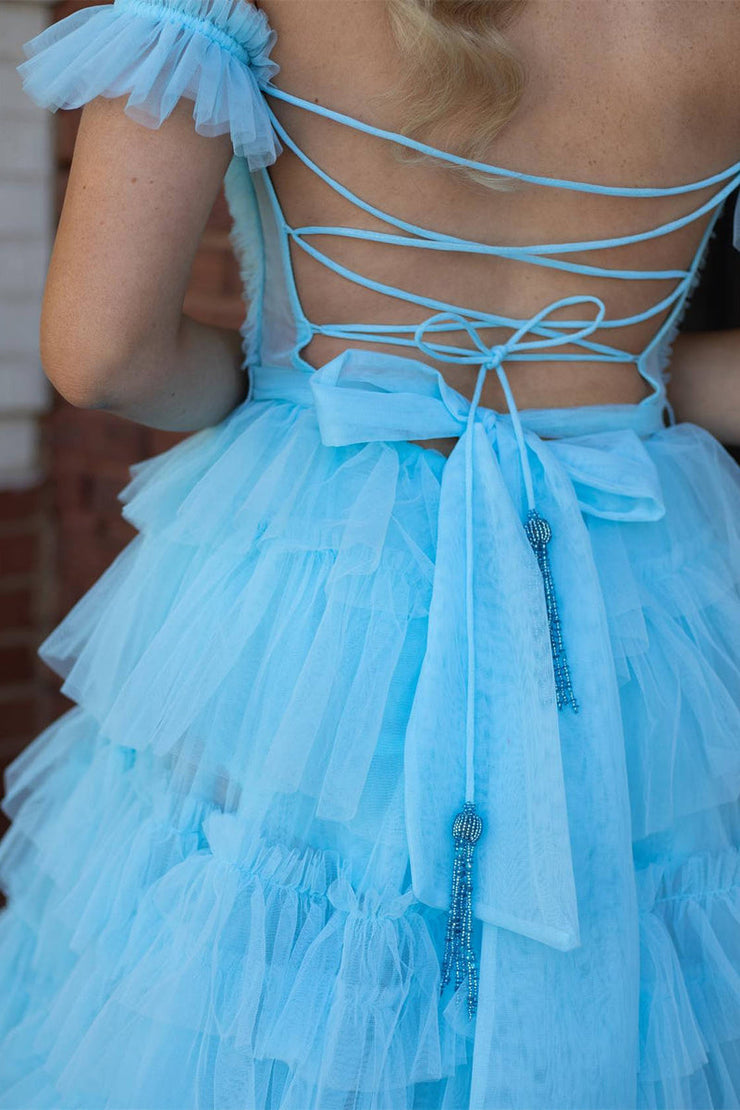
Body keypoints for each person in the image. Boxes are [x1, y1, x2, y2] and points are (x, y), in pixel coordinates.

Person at [1, 0, 739, 1106]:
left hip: (317, 566)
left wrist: (282, 391)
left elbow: (107, 354)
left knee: (259, 982)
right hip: (625, 564)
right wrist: (618, 396)